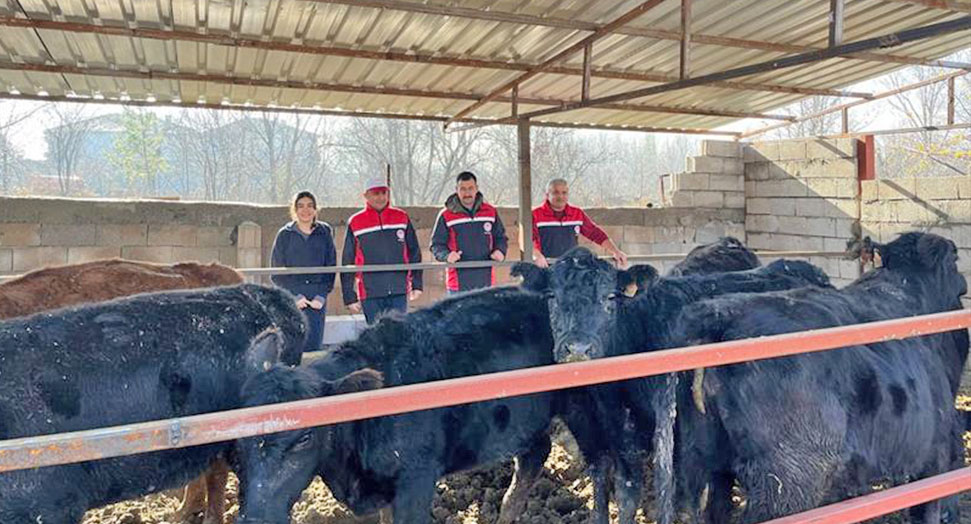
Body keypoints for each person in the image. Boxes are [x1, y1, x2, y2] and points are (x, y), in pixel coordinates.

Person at [341, 177, 423, 324]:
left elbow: (414, 251)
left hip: (398, 289)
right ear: (366, 196)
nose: (381, 197)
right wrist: (349, 295)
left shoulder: (401, 217)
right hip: (370, 292)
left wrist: (417, 283)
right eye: (376, 193)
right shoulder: (356, 221)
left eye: (384, 193)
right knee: (375, 337)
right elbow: (348, 259)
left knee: (399, 335)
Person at [270, 190, 337, 353]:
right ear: (294, 210)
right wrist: (294, 297)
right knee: (292, 346)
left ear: (315, 209)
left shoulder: (324, 232)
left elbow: (331, 266)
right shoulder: (285, 234)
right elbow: (276, 272)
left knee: (314, 346)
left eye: (309, 206)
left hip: (317, 297)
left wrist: (321, 296)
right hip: (293, 296)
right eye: (300, 206)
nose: (305, 210)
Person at [430, 171, 508, 294]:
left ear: (477, 188)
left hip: (486, 281)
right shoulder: (446, 215)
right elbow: (436, 245)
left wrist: (500, 251)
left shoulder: (490, 212)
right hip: (457, 283)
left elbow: (501, 238)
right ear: (456, 190)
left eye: (471, 188)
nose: (467, 193)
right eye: (463, 189)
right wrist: (447, 255)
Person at [531, 178, 628, 268]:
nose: (560, 196)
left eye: (564, 193)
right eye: (556, 193)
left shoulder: (577, 213)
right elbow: (525, 240)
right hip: (546, 267)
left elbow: (595, 233)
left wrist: (616, 251)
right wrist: (536, 255)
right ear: (547, 195)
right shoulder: (535, 215)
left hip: (571, 269)